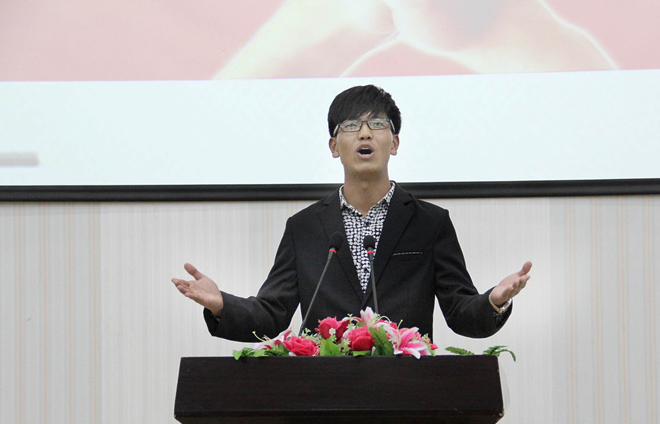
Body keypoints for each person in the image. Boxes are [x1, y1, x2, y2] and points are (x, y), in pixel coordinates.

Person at [172, 85, 531, 342]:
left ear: (395, 143)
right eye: (350, 126)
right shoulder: (304, 228)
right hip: (323, 394)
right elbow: (271, 314)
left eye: (378, 124)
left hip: (407, 393)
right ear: (334, 146)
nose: (365, 134)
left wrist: (494, 301)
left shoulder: (429, 223)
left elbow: (460, 312)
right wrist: (222, 305)